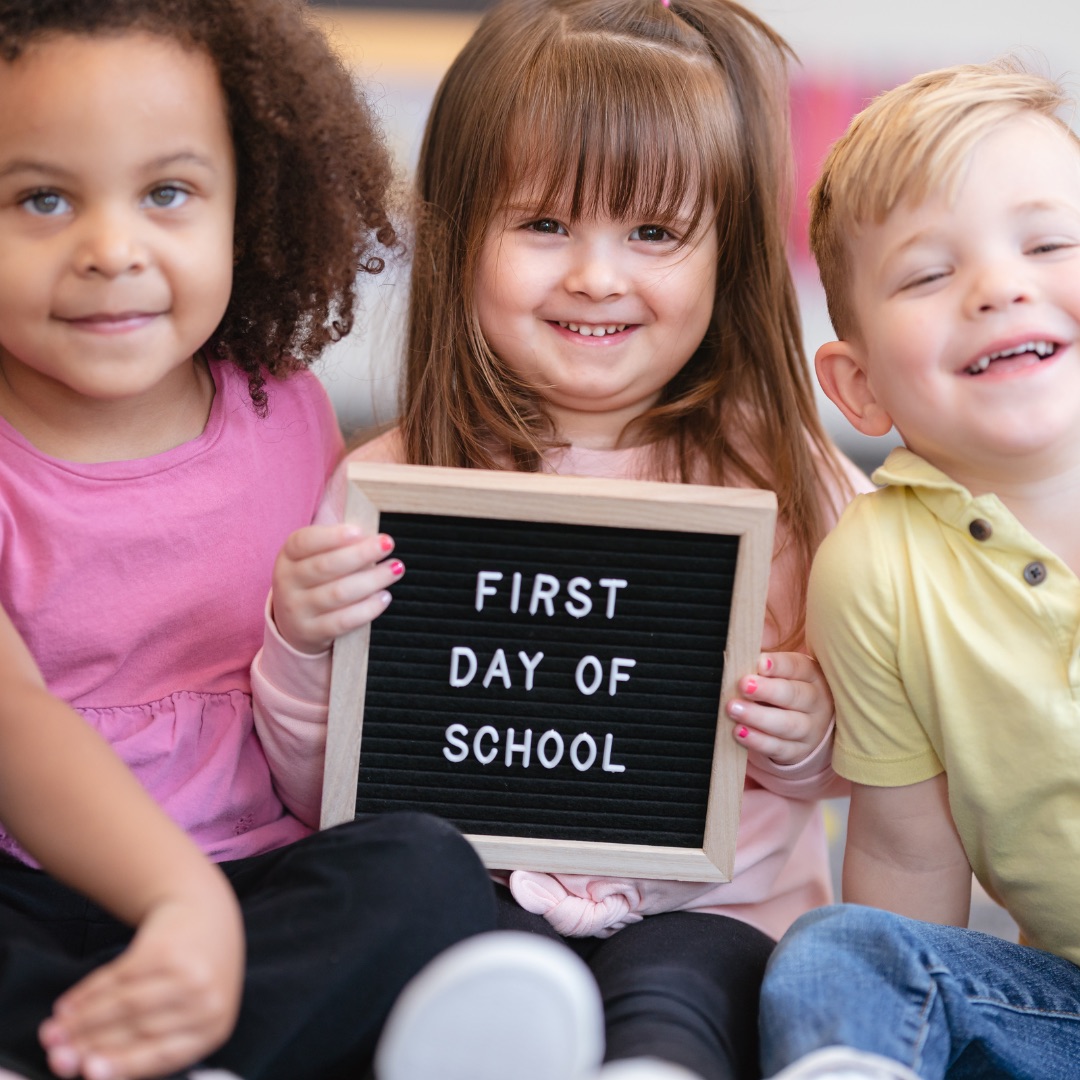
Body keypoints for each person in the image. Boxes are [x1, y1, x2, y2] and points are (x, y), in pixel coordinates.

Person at [254, 2, 870, 1078]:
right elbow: (332, 798)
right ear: (458, 231)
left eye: (654, 234)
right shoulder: (394, 487)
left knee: (687, 989)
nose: (595, 275)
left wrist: (813, 735)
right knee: (467, 967)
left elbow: (878, 755)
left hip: (723, 910)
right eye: (544, 224)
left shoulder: (792, 483)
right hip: (479, 913)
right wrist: (303, 643)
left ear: (727, 254)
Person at [0, 2, 497, 1078]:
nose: (111, 250)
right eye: (42, 198)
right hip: (28, 888)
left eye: (167, 193)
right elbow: (12, 719)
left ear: (254, 206)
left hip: (259, 885)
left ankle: (140, 1051)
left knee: (428, 872)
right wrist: (178, 904)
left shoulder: (287, 410)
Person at [756, 62, 1080, 1080]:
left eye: (1048, 245)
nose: (1000, 287)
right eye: (929, 275)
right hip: (1062, 1013)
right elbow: (907, 856)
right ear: (859, 385)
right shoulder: (875, 567)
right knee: (845, 952)